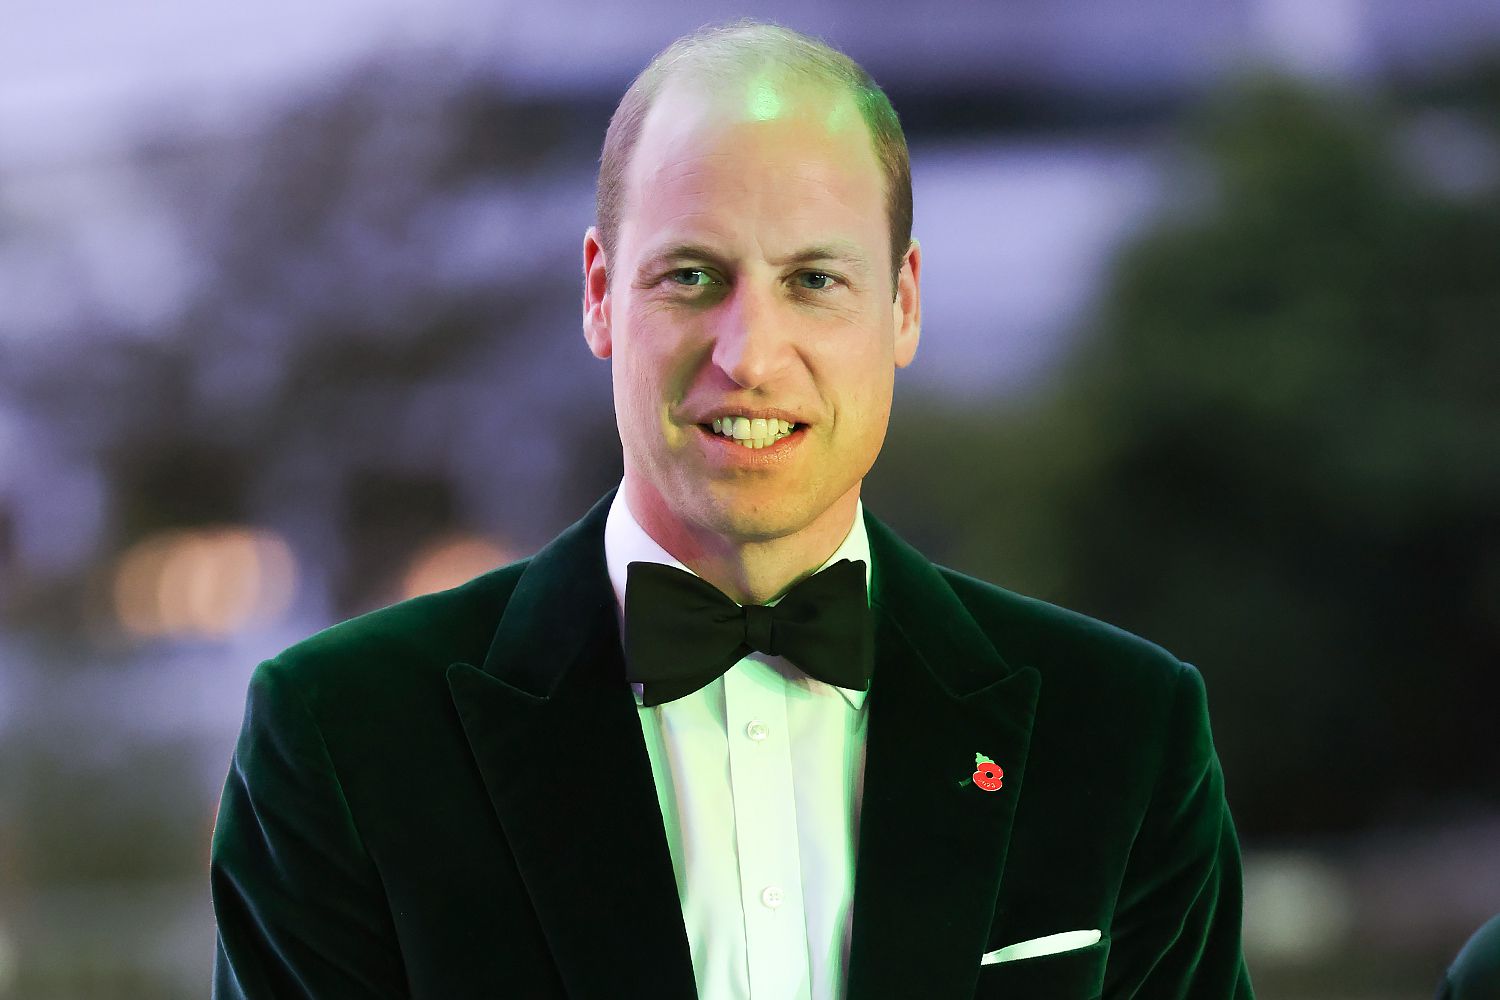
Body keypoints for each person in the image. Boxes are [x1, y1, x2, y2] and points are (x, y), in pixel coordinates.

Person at [209, 17, 1255, 999]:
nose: (750, 355)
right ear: (600, 292)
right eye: (693, 276)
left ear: (903, 303)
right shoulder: (345, 739)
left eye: (813, 280)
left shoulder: (1123, 731)